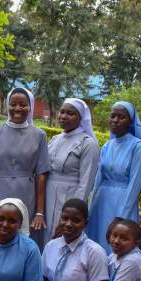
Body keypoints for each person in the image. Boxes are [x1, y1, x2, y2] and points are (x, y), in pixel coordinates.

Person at [0, 87, 50, 248]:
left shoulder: (39, 135)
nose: (17, 108)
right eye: (13, 104)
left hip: (27, 194)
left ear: (30, 107)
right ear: (7, 106)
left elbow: (41, 175)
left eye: (23, 104)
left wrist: (39, 212)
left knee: (24, 239)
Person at [86, 101, 141, 253]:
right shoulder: (107, 145)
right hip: (101, 201)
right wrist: (91, 206)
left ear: (130, 122)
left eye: (121, 117)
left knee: (115, 245)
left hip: (121, 203)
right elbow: (98, 180)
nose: (115, 120)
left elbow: (135, 185)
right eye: (113, 116)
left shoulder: (139, 148)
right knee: (95, 244)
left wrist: (121, 217)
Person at [45, 98, 99, 237]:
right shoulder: (55, 139)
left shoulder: (88, 144)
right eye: (62, 112)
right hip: (48, 195)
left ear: (81, 118)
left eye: (70, 113)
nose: (63, 116)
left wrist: (72, 215)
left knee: (62, 237)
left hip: (69, 197)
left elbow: (86, 183)